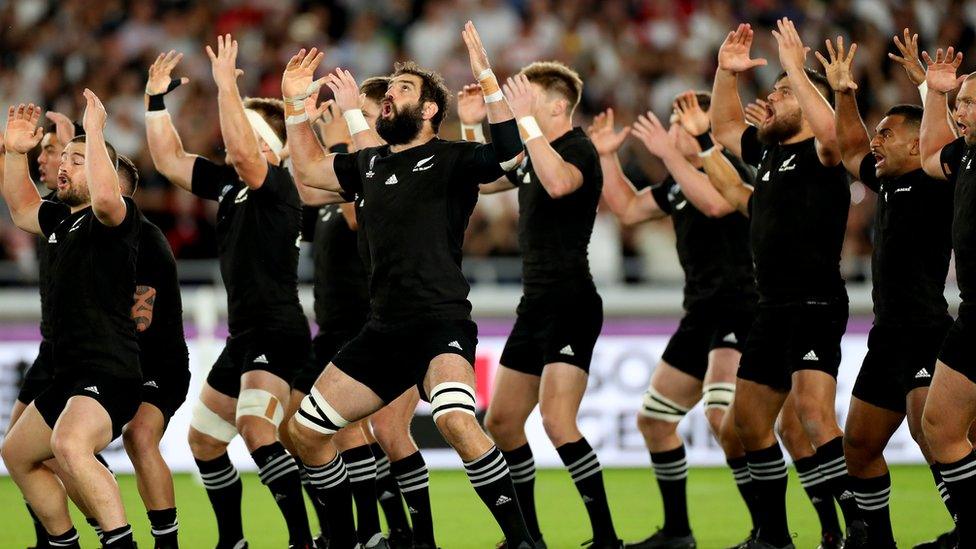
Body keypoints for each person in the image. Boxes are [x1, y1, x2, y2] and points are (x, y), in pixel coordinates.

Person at [281, 22, 535, 549]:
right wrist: (293, 105)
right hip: (382, 331)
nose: (390, 95)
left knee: (455, 420)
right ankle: (342, 538)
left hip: (439, 320)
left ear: (428, 112)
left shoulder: (452, 159)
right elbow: (306, 170)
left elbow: (509, 153)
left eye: (403, 89)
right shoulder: (369, 164)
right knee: (302, 432)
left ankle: (522, 540)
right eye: (389, 89)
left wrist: (486, 76)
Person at [144, 42, 313, 549]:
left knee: (257, 429)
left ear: (271, 147)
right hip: (245, 335)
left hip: (278, 330)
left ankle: (303, 540)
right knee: (204, 440)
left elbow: (242, 151)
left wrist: (226, 85)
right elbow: (170, 160)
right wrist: (155, 100)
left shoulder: (277, 184)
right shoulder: (231, 187)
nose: (236, 148)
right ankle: (233, 541)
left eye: (252, 138)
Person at [707, 20, 863, 549]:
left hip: (815, 303)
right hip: (770, 309)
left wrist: (797, 71)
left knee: (815, 418)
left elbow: (836, 136)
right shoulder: (769, 151)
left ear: (804, 99)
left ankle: (862, 529)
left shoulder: (823, 152)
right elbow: (725, 127)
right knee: (748, 426)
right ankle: (774, 536)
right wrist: (725, 74)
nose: (769, 101)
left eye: (780, 95)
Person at [586, 91, 759, 549]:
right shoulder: (679, 182)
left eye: (680, 123)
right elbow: (627, 208)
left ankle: (770, 532)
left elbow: (719, 205)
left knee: (725, 418)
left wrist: (669, 154)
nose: (670, 132)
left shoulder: (730, 171)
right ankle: (680, 532)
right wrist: (607, 158)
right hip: (699, 313)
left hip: (740, 309)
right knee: (655, 421)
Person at [464, 60, 618, 549]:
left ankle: (606, 538)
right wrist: (472, 123)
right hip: (535, 305)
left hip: (572, 301)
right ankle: (528, 538)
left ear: (556, 105)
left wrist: (524, 123)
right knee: (503, 422)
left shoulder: (577, 149)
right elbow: (482, 183)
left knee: (557, 421)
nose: (517, 103)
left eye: (527, 97)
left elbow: (557, 184)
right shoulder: (536, 150)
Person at [816, 33, 956, 548]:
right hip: (888, 335)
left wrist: (932, 94)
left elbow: (942, 142)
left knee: (934, 436)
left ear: (919, 143)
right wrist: (844, 94)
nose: (876, 140)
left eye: (887, 133)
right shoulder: (887, 181)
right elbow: (851, 147)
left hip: (927, 332)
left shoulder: (938, 178)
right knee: (859, 444)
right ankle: (877, 541)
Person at [1, 92, 142, 549]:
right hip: (68, 373)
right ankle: (64, 544)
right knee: (17, 455)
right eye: (63, 157)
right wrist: (15, 153)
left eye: (76, 159)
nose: (63, 164)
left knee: (69, 444)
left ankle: (122, 543)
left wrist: (96, 132)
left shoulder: (115, 217)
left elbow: (105, 195)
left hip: (108, 371)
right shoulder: (63, 221)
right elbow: (22, 208)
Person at [918, 43, 976, 548]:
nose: (962, 110)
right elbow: (930, 158)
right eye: (961, 101)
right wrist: (935, 96)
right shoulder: (966, 154)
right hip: (973, 312)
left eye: (970, 102)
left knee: (942, 426)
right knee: (940, 426)